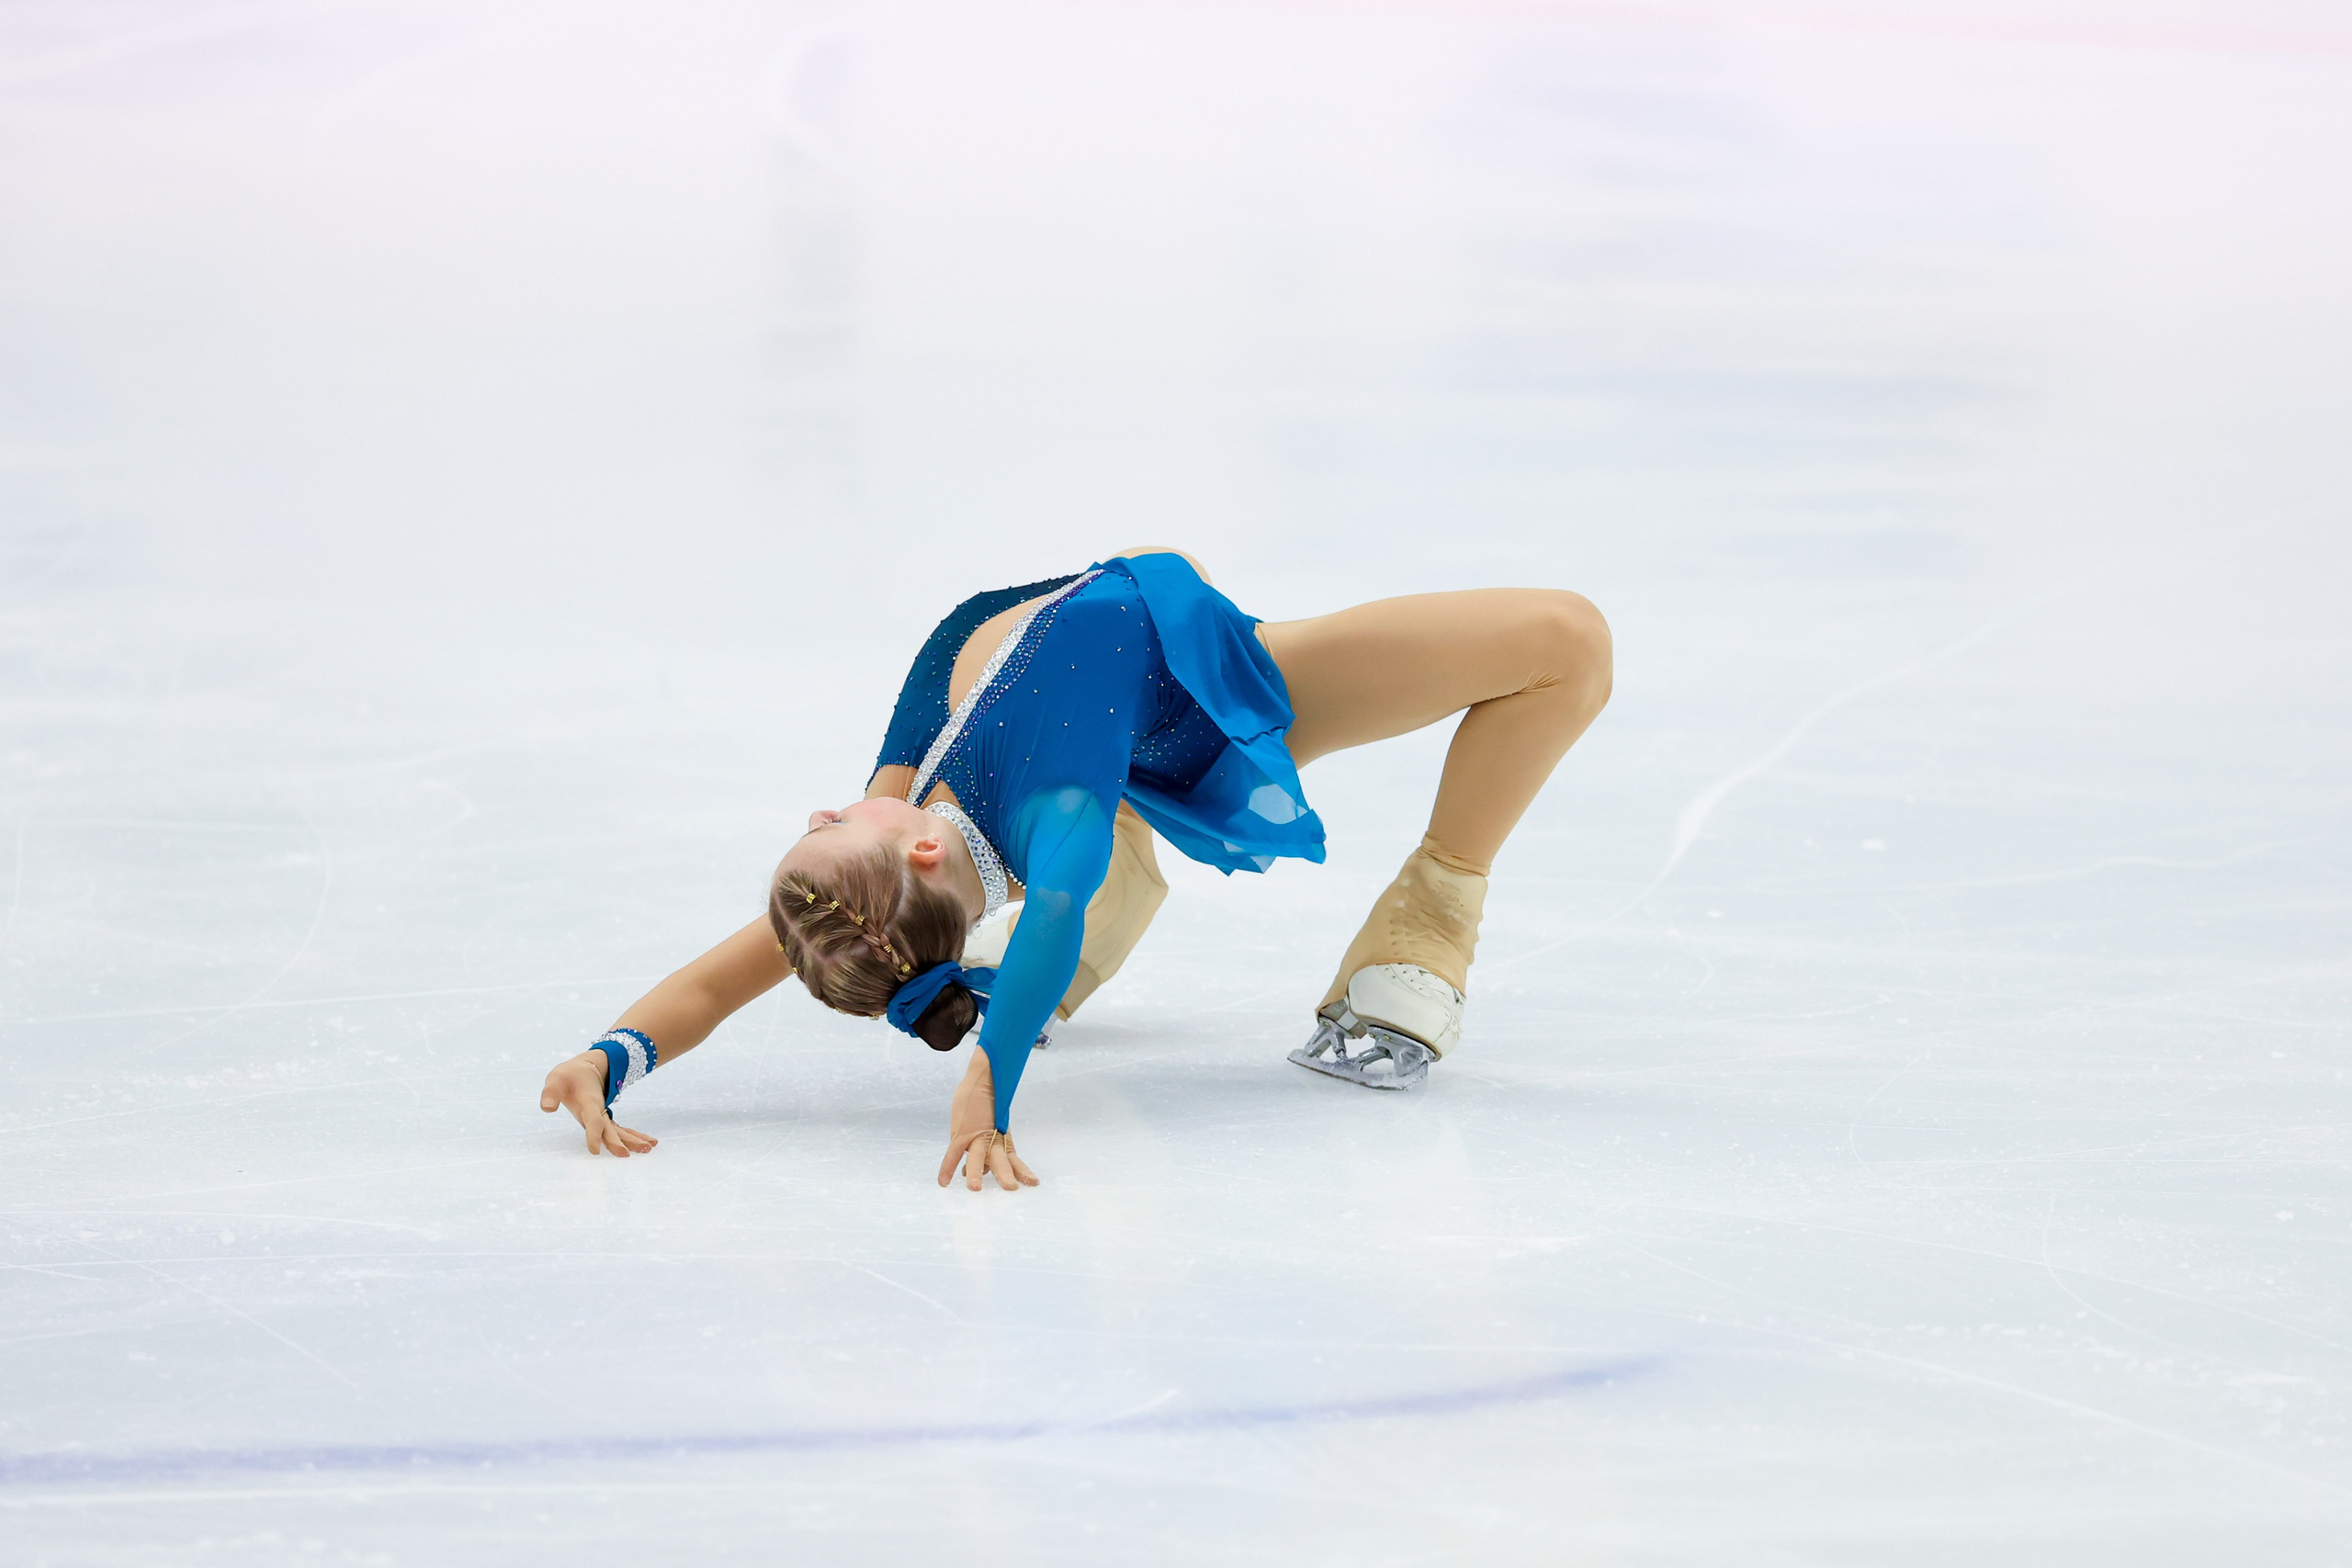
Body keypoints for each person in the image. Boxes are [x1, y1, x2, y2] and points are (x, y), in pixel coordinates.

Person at [538, 547, 1611, 1192]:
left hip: (1116, 689)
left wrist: (613, 1052)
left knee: (1557, 641)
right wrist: (990, 1079)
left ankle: (1131, 881)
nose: (823, 808)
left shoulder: (894, 808)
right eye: (824, 827)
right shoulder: (1055, 822)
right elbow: (1049, 906)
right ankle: (1433, 909)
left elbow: (725, 977)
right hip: (1215, 695)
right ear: (916, 852)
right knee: (1567, 639)